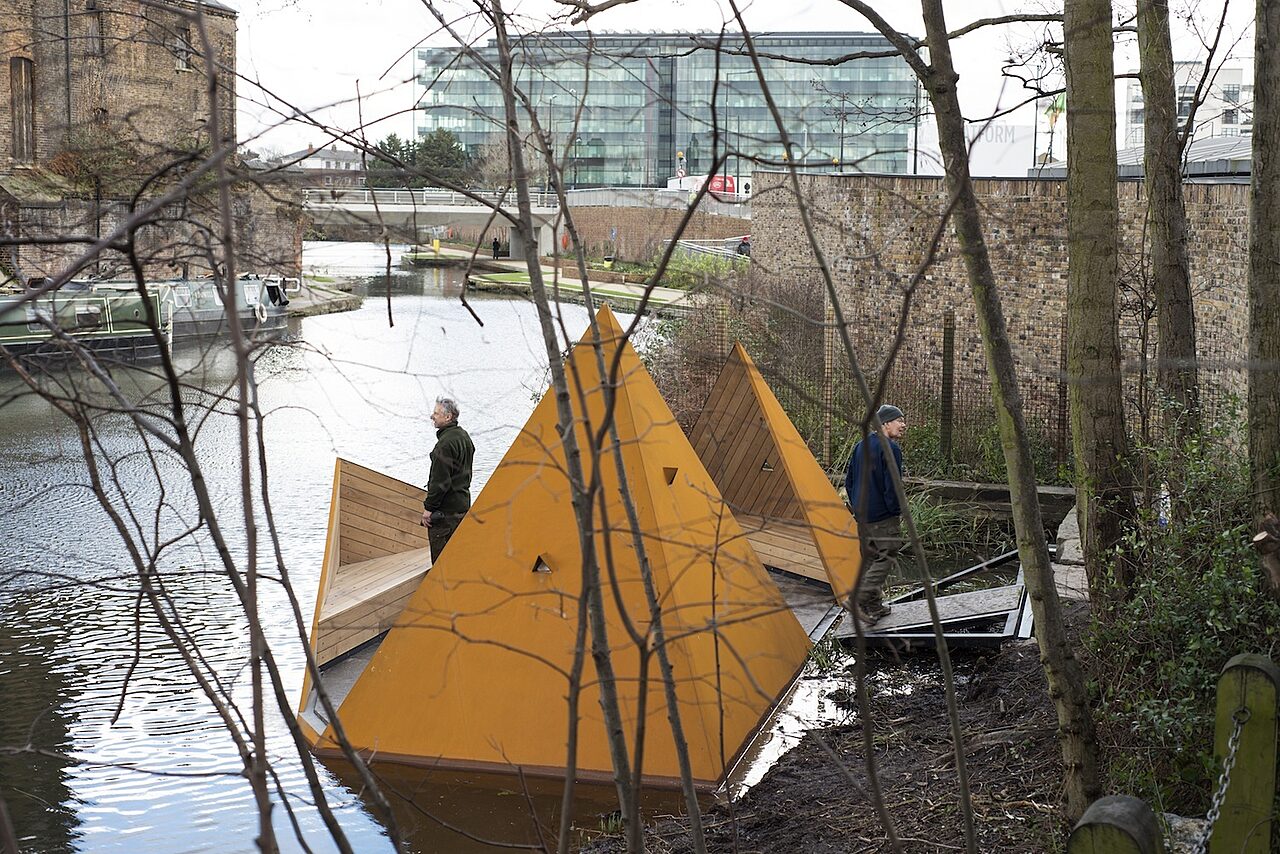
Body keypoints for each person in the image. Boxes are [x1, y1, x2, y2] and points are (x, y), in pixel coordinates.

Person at [844, 404, 908, 624]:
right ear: (885, 424)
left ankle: (874, 606)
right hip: (883, 516)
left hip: (862, 515)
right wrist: (896, 509)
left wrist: (857, 507)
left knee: (871, 560)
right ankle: (858, 599)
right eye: (899, 420)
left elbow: (849, 480)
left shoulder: (861, 445)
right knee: (887, 555)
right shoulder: (890, 448)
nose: (903, 425)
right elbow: (893, 486)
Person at [420, 396, 475, 562]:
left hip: (445, 515)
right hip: (462, 507)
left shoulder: (444, 445)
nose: (432, 416)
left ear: (448, 416)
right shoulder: (464, 437)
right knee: (459, 561)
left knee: (441, 567)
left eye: (436, 413)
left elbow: (440, 482)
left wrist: (428, 509)